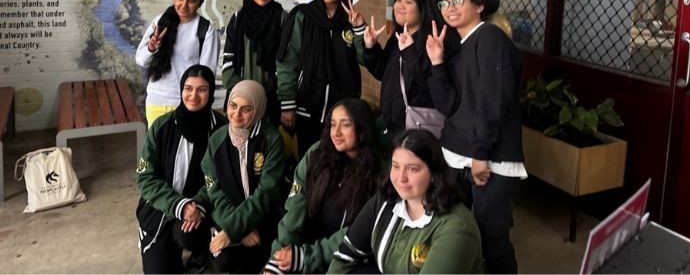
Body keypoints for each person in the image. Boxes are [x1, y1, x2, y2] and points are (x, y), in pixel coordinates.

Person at [425, 0, 526, 273]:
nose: (450, 8)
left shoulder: (490, 38)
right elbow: (448, 105)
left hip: (488, 160)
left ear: (479, 5)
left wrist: (480, 152)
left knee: (491, 238)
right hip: (458, 157)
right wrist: (437, 62)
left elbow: (492, 100)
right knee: (460, 232)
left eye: (459, 1)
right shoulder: (461, 47)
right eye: (444, 3)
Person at [328, 129, 484, 274]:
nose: (401, 178)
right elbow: (344, 258)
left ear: (434, 174)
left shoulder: (456, 228)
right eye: (396, 166)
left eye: (412, 169)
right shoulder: (386, 200)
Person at [264, 98, 385, 274]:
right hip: (304, 247)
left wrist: (307, 257)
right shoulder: (316, 153)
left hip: (345, 257)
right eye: (332, 124)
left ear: (362, 128)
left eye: (345, 125)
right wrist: (280, 255)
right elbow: (296, 202)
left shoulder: (377, 171)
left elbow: (359, 231)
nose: (335, 132)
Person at [135, 64, 227, 274]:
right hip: (162, 208)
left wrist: (197, 205)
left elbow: (223, 177)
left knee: (190, 236)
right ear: (181, 90)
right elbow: (145, 176)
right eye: (188, 88)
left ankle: (201, 250)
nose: (193, 95)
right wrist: (180, 205)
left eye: (202, 89)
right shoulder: (161, 127)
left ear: (211, 92)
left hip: (204, 209)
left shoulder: (221, 130)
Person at [277, 0, 365, 156]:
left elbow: (364, 59)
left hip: (342, 110)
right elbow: (287, 61)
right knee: (309, 162)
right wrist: (287, 102)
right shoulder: (303, 16)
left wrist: (359, 30)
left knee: (340, 162)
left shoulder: (351, 20)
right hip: (306, 105)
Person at [198, 79, 287, 273]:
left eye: (246, 109)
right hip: (229, 215)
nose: (236, 115)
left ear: (258, 110)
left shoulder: (271, 140)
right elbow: (213, 189)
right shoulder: (217, 139)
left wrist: (232, 230)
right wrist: (236, 228)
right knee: (225, 262)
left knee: (264, 258)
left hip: (264, 217)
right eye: (233, 106)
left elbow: (267, 193)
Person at [360, 0, 445, 138]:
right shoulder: (398, 38)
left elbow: (430, 83)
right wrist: (371, 47)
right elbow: (381, 72)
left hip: (417, 129)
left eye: (408, 2)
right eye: (398, 0)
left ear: (423, 7)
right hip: (395, 127)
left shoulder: (432, 41)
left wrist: (410, 52)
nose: (399, 6)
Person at [136, 0, 220, 126]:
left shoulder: (205, 29)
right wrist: (151, 48)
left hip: (187, 104)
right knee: (158, 147)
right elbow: (141, 60)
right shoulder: (160, 22)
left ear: (200, 3)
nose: (184, 5)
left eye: (192, 0)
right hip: (156, 100)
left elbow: (207, 75)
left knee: (185, 149)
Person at [222, 0, 286, 124]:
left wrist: (266, 93)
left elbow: (286, 61)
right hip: (240, 102)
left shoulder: (282, 18)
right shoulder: (238, 19)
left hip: (271, 99)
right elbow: (228, 61)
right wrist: (243, 93)